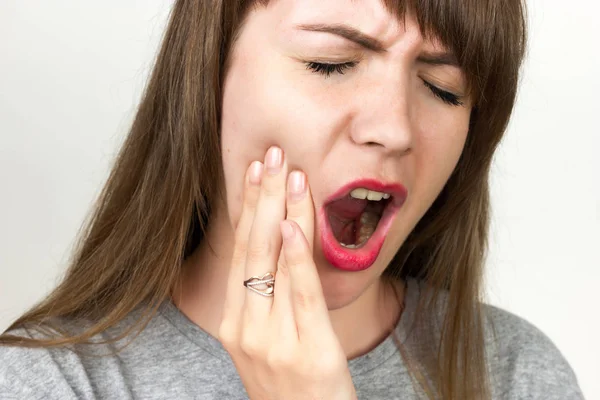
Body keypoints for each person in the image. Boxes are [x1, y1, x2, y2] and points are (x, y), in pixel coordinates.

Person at [0, 0, 585, 399]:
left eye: (442, 88)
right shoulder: (51, 381)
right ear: (208, 75)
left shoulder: (513, 373)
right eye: (331, 64)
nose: (395, 127)